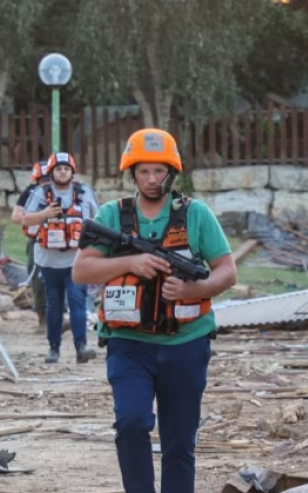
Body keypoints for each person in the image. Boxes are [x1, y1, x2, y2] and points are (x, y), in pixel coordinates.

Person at [72, 128, 236, 493]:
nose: (151, 180)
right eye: (143, 171)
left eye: (158, 171)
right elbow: (82, 271)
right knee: (131, 423)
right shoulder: (111, 215)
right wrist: (132, 262)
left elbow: (227, 271)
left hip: (187, 343)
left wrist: (197, 288)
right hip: (128, 344)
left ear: (171, 173)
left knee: (179, 442)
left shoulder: (196, 215)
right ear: (132, 173)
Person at [22, 152, 99, 364]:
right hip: (48, 261)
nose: (62, 172)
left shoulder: (85, 192)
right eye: (58, 169)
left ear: (72, 172)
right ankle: (53, 348)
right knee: (54, 305)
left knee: (77, 303)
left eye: (66, 168)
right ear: (52, 172)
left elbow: (99, 220)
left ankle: (81, 347)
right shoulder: (40, 193)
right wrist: (46, 213)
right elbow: (26, 219)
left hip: (76, 261)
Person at [10, 161, 50, 327]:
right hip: (38, 239)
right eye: (42, 179)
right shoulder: (30, 193)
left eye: (49, 178)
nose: (46, 182)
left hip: (64, 240)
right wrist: (40, 215)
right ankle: (42, 314)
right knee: (37, 277)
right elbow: (16, 217)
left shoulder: (67, 191)